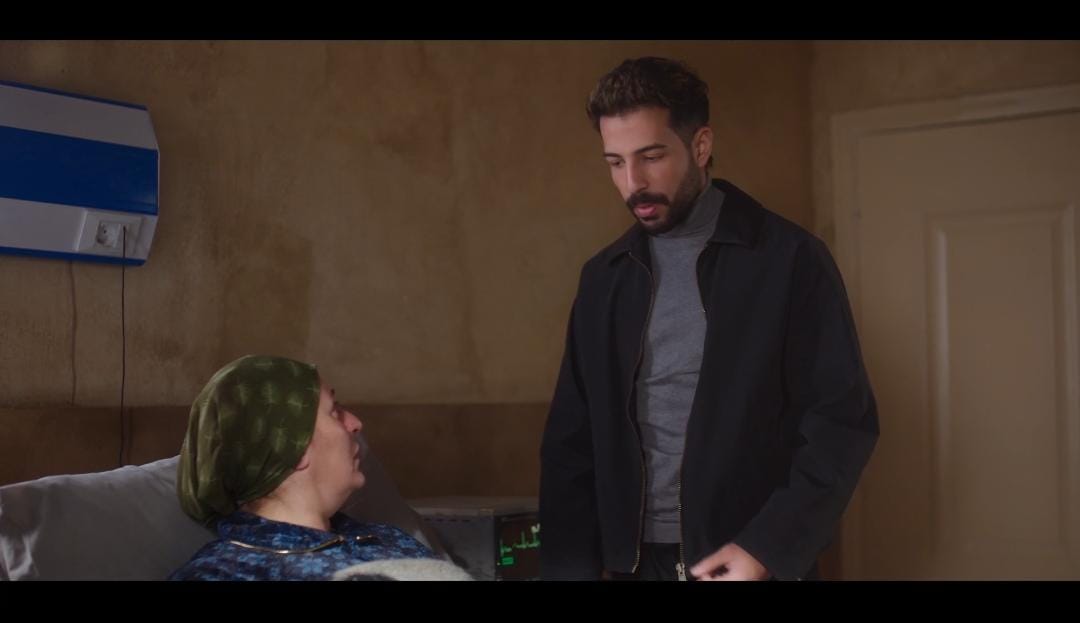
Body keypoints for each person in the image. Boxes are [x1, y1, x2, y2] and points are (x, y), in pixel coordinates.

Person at [539, 57, 879, 581]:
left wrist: (766, 549)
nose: (633, 183)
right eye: (615, 162)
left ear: (700, 146)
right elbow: (570, 445)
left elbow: (841, 423)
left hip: (745, 562)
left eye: (651, 157)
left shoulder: (789, 259)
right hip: (631, 566)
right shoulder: (604, 279)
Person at [170, 354, 440, 580]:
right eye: (335, 411)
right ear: (294, 448)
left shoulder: (382, 537)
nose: (356, 423)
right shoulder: (224, 573)